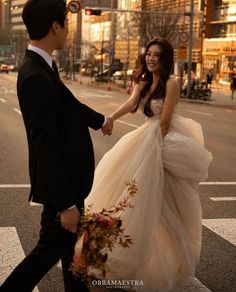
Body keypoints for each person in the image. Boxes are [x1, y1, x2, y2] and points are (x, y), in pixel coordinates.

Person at [0, 1, 112, 292]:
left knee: (74, 256)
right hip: (62, 188)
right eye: (66, 22)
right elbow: (44, 146)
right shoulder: (35, 75)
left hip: (68, 183)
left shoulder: (42, 65)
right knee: (45, 255)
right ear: (55, 26)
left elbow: (67, 103)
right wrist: (65, 205)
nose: (68, 29)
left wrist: (99, 120)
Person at [85, 37, 213, 291]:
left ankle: (168, 264)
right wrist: (109, 118)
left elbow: (164, 122)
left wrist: (155, 154)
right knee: (127, 200)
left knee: (163, 209)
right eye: (148, 54)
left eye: (156, 55)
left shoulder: (171, 84)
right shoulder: (142, 83)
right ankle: (111, 257)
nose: (151, 58)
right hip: (143, 139)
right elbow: (131, 104)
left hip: (161, 145)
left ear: (165, 59)